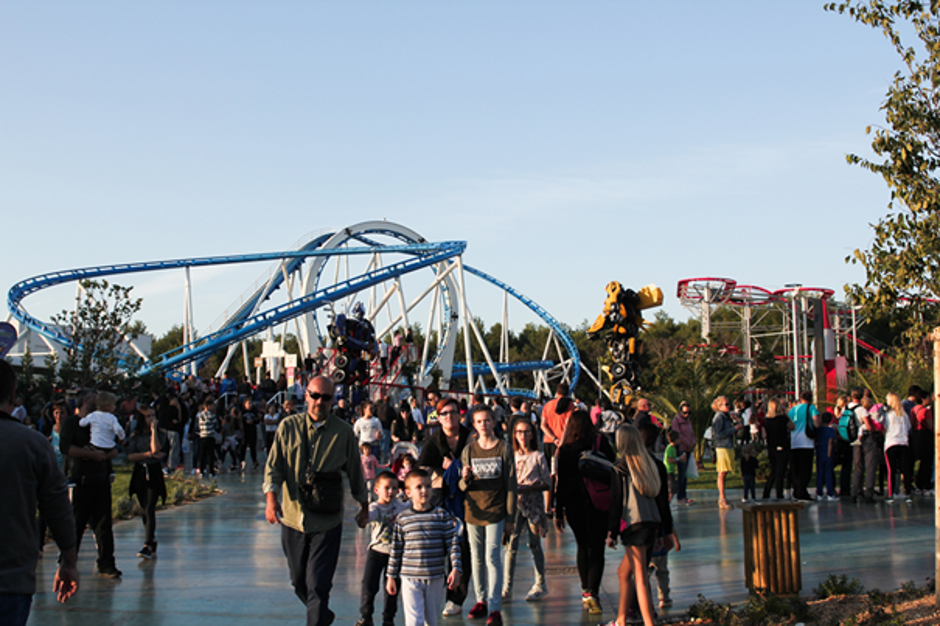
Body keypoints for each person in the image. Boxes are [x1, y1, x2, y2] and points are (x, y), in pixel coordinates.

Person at [264, 375, 370, 626]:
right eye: (314, 395)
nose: (319, 401)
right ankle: (322, 615)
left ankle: (317, 616)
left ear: (333, 400)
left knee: (318, 585)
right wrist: (271, 499)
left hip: (327, 520)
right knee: (298, 580)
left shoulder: (343, 432)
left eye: (326, 397)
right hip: (293, 517)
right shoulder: (287, 428)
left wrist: (365, 507)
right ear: (306, 395)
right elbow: (274, 467)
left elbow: (356, 472)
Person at [0, 360, 79, 625]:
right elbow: (57, 508)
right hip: (10, 579)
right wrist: (68, 560)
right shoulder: (31, 444)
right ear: (12, 395)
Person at [459, 406, 516, 626]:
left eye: (487, 420)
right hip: (473, 511)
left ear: (494, 422)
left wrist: (510, 518)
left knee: (493, 557)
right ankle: (480, 599)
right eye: (479, 421)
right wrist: (465, 478)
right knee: (477, 558)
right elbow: (462, 486)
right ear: (474, 425)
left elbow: (511, 484)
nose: (483, 425)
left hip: (496, 510)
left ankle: (494, 607)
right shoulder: (469, 450)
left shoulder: (504, 448)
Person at [554, 410, 615, 616]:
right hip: (598, 501)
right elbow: (613, 470)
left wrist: (558, 511)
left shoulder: (565, 450)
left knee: (583, 545)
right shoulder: (600, 443)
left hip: (574, 503)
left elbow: (560, 483)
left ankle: (585, 589)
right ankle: (593, 592)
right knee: (597, 547)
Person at [416, 397, 472, 617]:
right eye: (444, 413)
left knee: (463, 547)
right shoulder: (433, 441)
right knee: (440, 547)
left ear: (460, 414)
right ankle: (436, 592)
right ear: (438, 417)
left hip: (468, 496)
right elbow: (425, 468)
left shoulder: (470, 437)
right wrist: (445, 467)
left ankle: (457, 597)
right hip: (440, 497)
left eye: (453, 412)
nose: (449, 417)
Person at [605, 424, 666, 626]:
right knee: (624, 572)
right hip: (651, 524)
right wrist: (661, 532)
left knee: (640, 576)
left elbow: (616, 502)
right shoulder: (651, 465)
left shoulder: (621, 468)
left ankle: (649, 622)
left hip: (633, 525)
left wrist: (611, 532)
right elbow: (661, 500)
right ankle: (621, 619)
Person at [386, 469, 462, 626]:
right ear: (408, 492)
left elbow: (452, 544)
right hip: (410, 577)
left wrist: (456, 568)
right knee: (414, 621)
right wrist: (391, 576)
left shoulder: (441, 516)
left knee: (431, 621)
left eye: (428, 486)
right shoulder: (403, 519)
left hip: (435, 577)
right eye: (419, 487)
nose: (424, 491)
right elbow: (396, 549)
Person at [60, 389, 122, 578]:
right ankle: (67, 561)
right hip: (81, 479)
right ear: (86, 401)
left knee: (103, 524)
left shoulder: (104, 419)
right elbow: (66, 447)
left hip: (101, 478)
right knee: (76, 523)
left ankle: (106, 562)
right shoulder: (72, 423)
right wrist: (89, 455)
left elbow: (116, 447)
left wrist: (104, 455)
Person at [501, 417, 549, 603]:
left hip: (533, 506)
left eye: (526, 432)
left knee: (534, 543)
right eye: (519, 432)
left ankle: (540, 583)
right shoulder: (511, 455)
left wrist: (529, 488)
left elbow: (547, 483)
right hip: (515, 505)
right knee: (511, 546)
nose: (523, 436)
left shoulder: (538, 457)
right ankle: (507, 588)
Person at [357, 470, 410, 626]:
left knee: (392, 588)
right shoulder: (376, 507)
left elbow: (412, 506)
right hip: (376, 552)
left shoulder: (400, 506)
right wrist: (364, 519)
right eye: (387, 488)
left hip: (395, 554)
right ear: (376, 490)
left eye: (394, 488)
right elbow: (369, 516)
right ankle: (366, 617)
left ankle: (389, 619)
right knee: (368, 585)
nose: (391, 492)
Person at [125, 404, 167, 559]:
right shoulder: (136, 435)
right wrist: (147, 454)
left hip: (154, 472)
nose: (151, 419)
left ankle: (148, 543)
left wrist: (153, 431)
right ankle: (151, 538)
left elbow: (157, 450)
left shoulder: (160, 433)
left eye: (153, 416)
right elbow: (130, 456)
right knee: (144, 508)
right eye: (148, 416)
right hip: (140, 472)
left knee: (150, 507)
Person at [883, 392, 913, 503]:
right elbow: (909, 427)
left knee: (891, 470)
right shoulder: (904, 415)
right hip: (904, 443)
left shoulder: (888, 414)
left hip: (891, 442)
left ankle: (891, 495)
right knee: (906, 470)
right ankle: (908, 493)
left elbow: (884, 427)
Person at [787, 391, 818, 501]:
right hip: (806, 440)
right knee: (806, 468)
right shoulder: (811, 408)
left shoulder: (793, 409)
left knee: (796, 467)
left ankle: (796, 490)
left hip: (794, 441)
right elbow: (816, 422)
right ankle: (802, 491)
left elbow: (788, 422)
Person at [761, 397, 793, 501]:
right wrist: (786, 414)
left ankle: (766, 492)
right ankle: (779, 493)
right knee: (781, 471)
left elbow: (764, 435)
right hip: (783, 446)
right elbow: (793, 426)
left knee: (774, 471)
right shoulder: (783, 419)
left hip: (771, 447)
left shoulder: (766, 420)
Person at [710, 396, 739, 509]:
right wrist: (734, 429)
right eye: (726, 404)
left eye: (728, 404)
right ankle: (722, 498)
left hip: (727, 445)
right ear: (719, 406)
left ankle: (722, 497)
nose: (728, 406)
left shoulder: (726, 416)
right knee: (722, 472)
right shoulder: (719, 417)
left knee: (725, 472)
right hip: (722, 446)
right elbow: (719, 434)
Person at [670, 402, 695, 505]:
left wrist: (693, 442)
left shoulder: (687, 420)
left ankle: (684, 495)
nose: (687, 415)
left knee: (685, 474)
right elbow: (678, 434)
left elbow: (691, 432)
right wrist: (688, 443)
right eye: (685, 412)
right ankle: (680, 496)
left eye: (689, 412)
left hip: (689, 449)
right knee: (681, 473)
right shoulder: (676, 421)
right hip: (682, 449)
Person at [911, 391, 934, 495]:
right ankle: (925, 484)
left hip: (916, 434)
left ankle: (916, 483)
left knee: (915, 459)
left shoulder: (913, 409)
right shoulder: (926, 411)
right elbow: (930, 426)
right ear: (923, 399)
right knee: (926, 461)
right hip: (925, 436)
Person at [815, 411, 838, 501]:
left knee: (820, 473)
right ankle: (830, 493)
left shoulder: (818, 430)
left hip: (819, 452)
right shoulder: (830, 430)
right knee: (828, 473)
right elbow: (831, 442)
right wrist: (829, 454)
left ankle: (819, 493)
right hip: (827, 452)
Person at [196, 397, 220, 477]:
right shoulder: (212, 415)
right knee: (210, 454)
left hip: (202, 435)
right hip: (210, 436)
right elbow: (215, 425)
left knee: (202, 454)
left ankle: (202, 470)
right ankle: (211, 471)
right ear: (209, 406)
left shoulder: (200, 415)